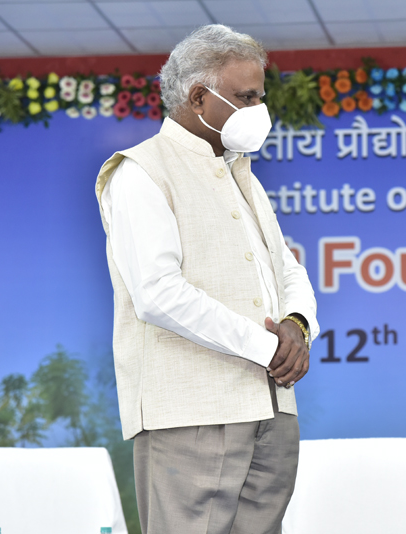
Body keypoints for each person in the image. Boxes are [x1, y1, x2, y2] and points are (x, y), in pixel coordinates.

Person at [94, 24, 319, 534]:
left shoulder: (242, 174)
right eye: (247, 97)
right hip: (189, 414)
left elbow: (287, 268)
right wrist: (268, 347)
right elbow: (158, 294)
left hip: (271, 407)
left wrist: (298, 325)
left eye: (260, 96)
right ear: (199, 97)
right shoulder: (141, 171)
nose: (259, 109)